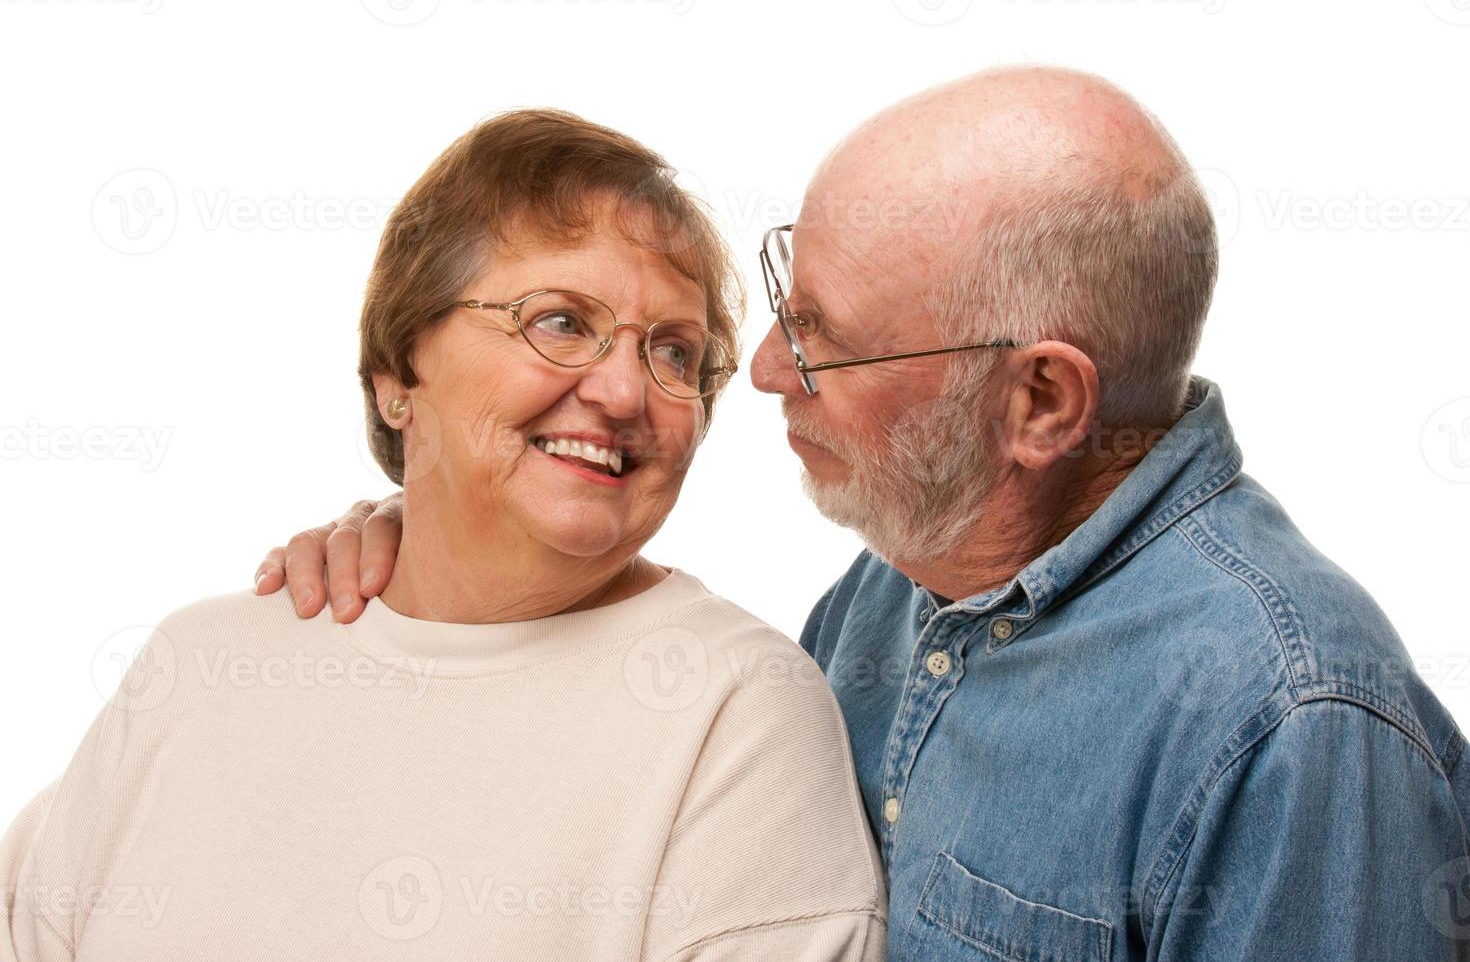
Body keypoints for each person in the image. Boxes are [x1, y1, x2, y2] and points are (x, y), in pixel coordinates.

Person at [263, 67, 1470, 959]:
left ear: (1041, 401)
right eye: (787, 303)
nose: (772, 373)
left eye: (826, 341)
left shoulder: (1294, 724)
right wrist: (424, 555)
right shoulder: (907, 579)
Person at [0, 109, 887, 961]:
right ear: (397, 371)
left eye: (674, 352)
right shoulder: (201, 661)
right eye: (560, 322)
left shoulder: (739, 713)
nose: (626, 394)